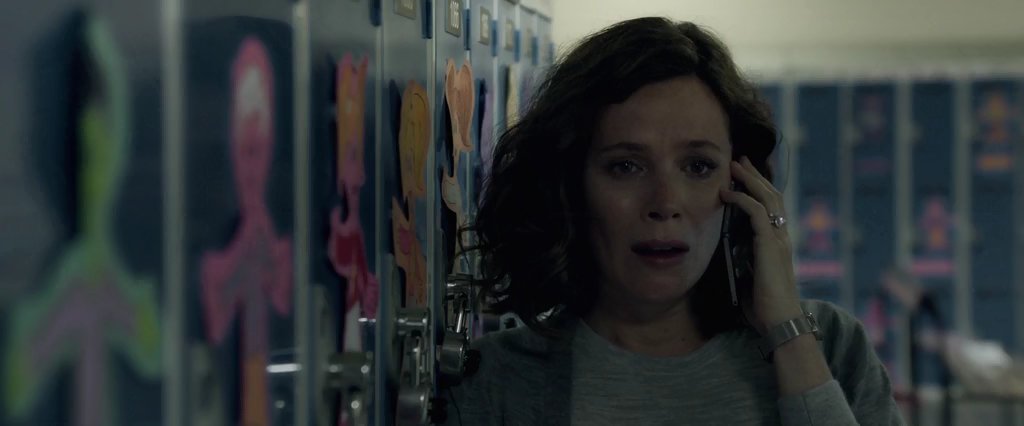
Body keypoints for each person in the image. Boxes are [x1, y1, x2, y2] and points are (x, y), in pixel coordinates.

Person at [447, 17, 904, 425]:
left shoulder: (833, 348)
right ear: (570, 184)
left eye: (698, 166)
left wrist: (787, 330)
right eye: (626, 166)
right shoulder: (495, 383)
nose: (665, 203)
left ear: (742, 188)